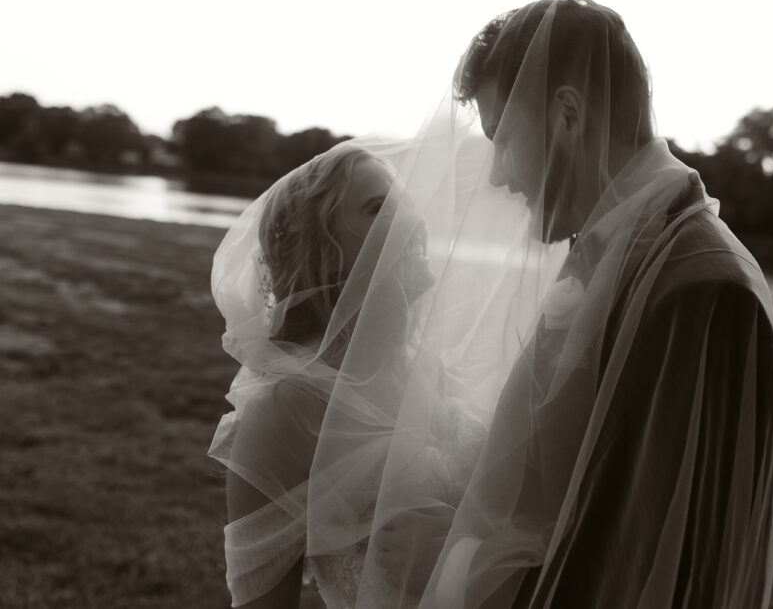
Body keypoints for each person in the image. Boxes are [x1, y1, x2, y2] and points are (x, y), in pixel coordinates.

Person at [413, 0, 773, 608]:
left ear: (568, 114)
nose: (498, 175)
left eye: (503, 138)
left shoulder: (703, 287)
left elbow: (662, 557)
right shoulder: (621, 251)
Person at [209, 131, 565, 607]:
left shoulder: (428, 371)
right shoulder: (284, 412)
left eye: (404, 202)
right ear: (326, 251)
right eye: (377, 209)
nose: (412, 221)